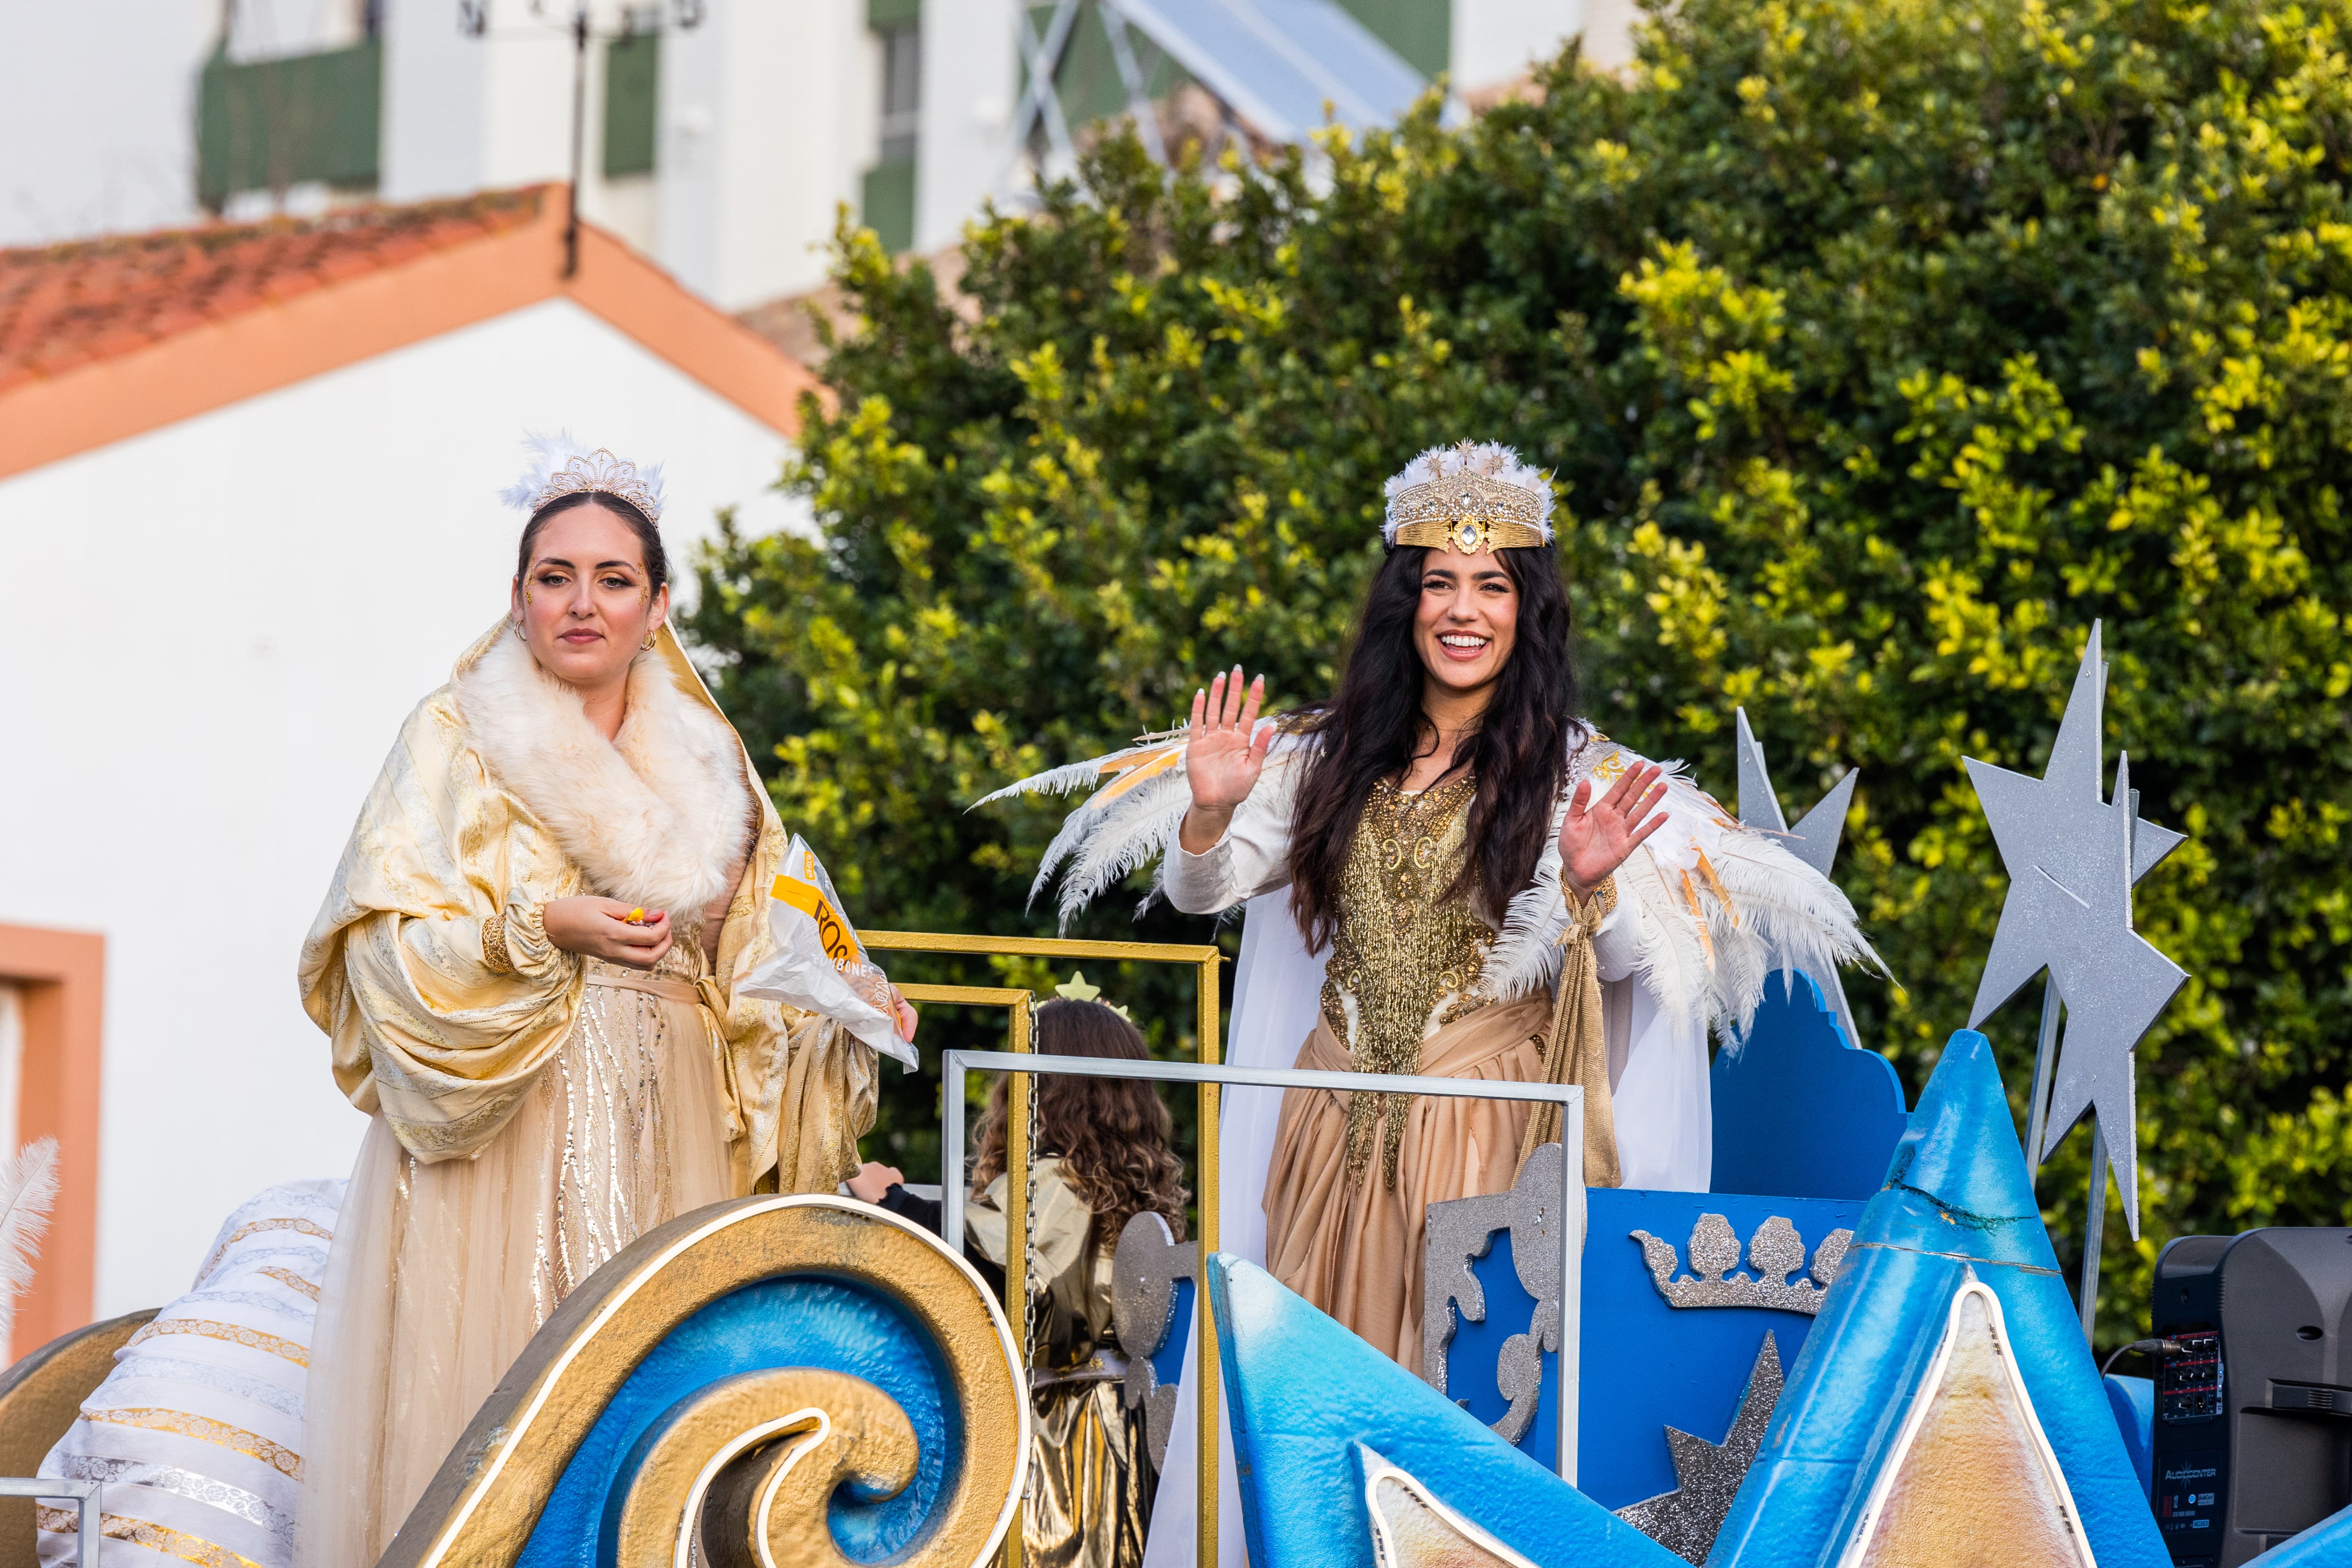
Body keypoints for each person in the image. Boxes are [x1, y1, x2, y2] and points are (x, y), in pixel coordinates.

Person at [988, 440, 1882, 1367]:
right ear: (1402, 602)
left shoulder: (1577, 771)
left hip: (1478, 1125)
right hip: (1327, 1127)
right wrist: (1210, 808)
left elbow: (1629, 964)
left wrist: (1586, 880)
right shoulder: (1324, 758)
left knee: (1449, 1386)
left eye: (1492, 585)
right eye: (1439, 581)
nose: (1463, 610)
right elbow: (1199, 888)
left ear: (1525, 611)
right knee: (1310, 1386)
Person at [294, 436, 915, 1566]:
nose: (583, 602)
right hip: (512, 1116)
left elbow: (767, 943)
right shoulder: (451, 738)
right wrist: (538, 930)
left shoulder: (717, 761)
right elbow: (381, 947)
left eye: (613, 578)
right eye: (554, 575)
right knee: (500, 1382)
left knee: (654, 1393)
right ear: (520, 597)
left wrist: (849, 998)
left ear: (658, 601)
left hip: (672, 1113)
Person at [849, 992, 1186, 1568]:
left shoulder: (1058, 1181)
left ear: (1041, 1088)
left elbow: (983, 1260)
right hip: (1107, 1422)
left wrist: (891, 1198)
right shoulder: (1120, 1186)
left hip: (1061, 1425)